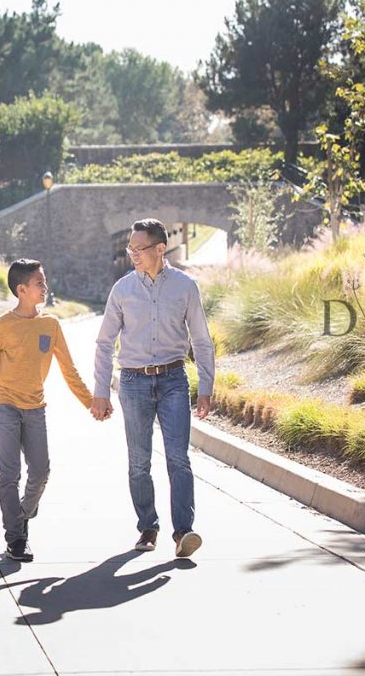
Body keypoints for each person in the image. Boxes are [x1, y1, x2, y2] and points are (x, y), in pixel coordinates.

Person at [91, 218, 215, 558]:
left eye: (139, 248)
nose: (133, 254)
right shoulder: (123, 290)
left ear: (160, 249)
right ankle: (148, 526)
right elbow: (104, 344)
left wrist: (206, 385)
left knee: (179, 459)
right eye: (130, 248)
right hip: (132, 382)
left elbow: (202, 340)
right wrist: (101, 391)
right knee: (138, 462)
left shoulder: (185, 287)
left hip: (174, 378)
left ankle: (183, 532)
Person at [0, 259, 95, 562]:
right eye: (39, 282)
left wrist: (91, 402)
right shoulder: (2, 326)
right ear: (21, 289)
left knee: (40, 470)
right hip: (4, 405)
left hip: (35, 407)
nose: (45, 287)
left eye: (44, 281)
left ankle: (20, 514)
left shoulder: (51, 325)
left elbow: (69, 369)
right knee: (9, 473)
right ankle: (16, 539)